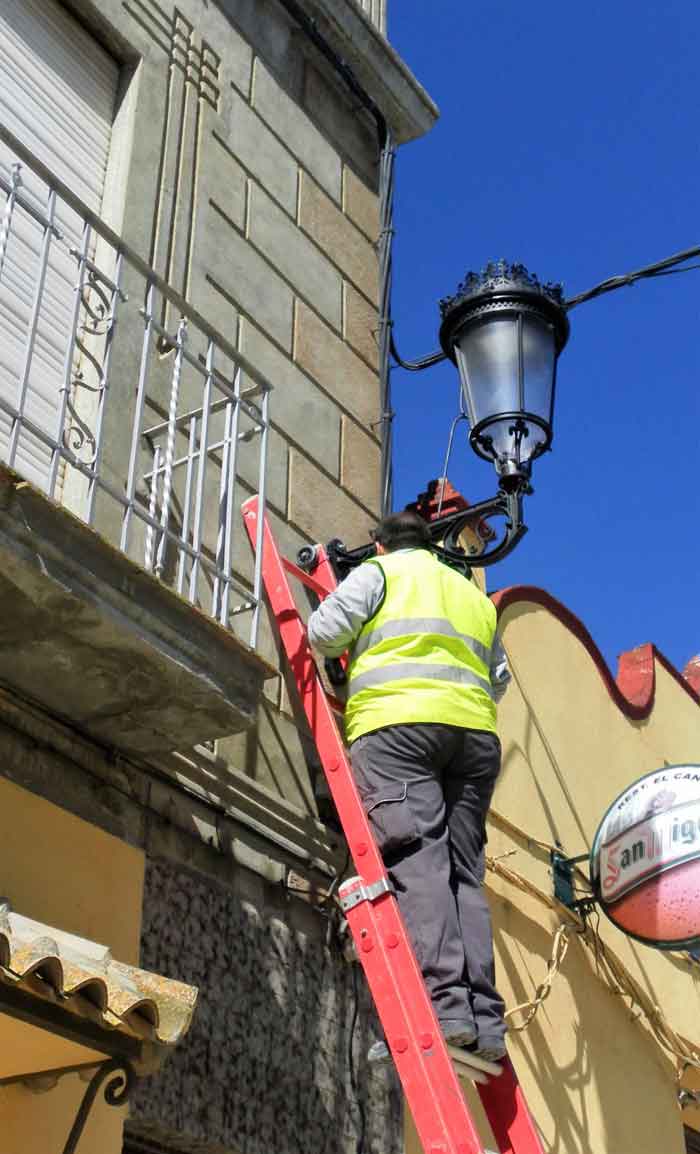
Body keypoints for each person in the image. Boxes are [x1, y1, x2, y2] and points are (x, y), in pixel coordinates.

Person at [307, 510, 511, 1064]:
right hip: (473, 738)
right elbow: (499, 679)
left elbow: (323, 633)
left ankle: (443, 1008)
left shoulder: (381, 573)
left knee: (419, 861)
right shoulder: (471, 595)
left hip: (397, 730)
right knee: (464, 872)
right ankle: (484, 1022)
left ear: (380, 546)